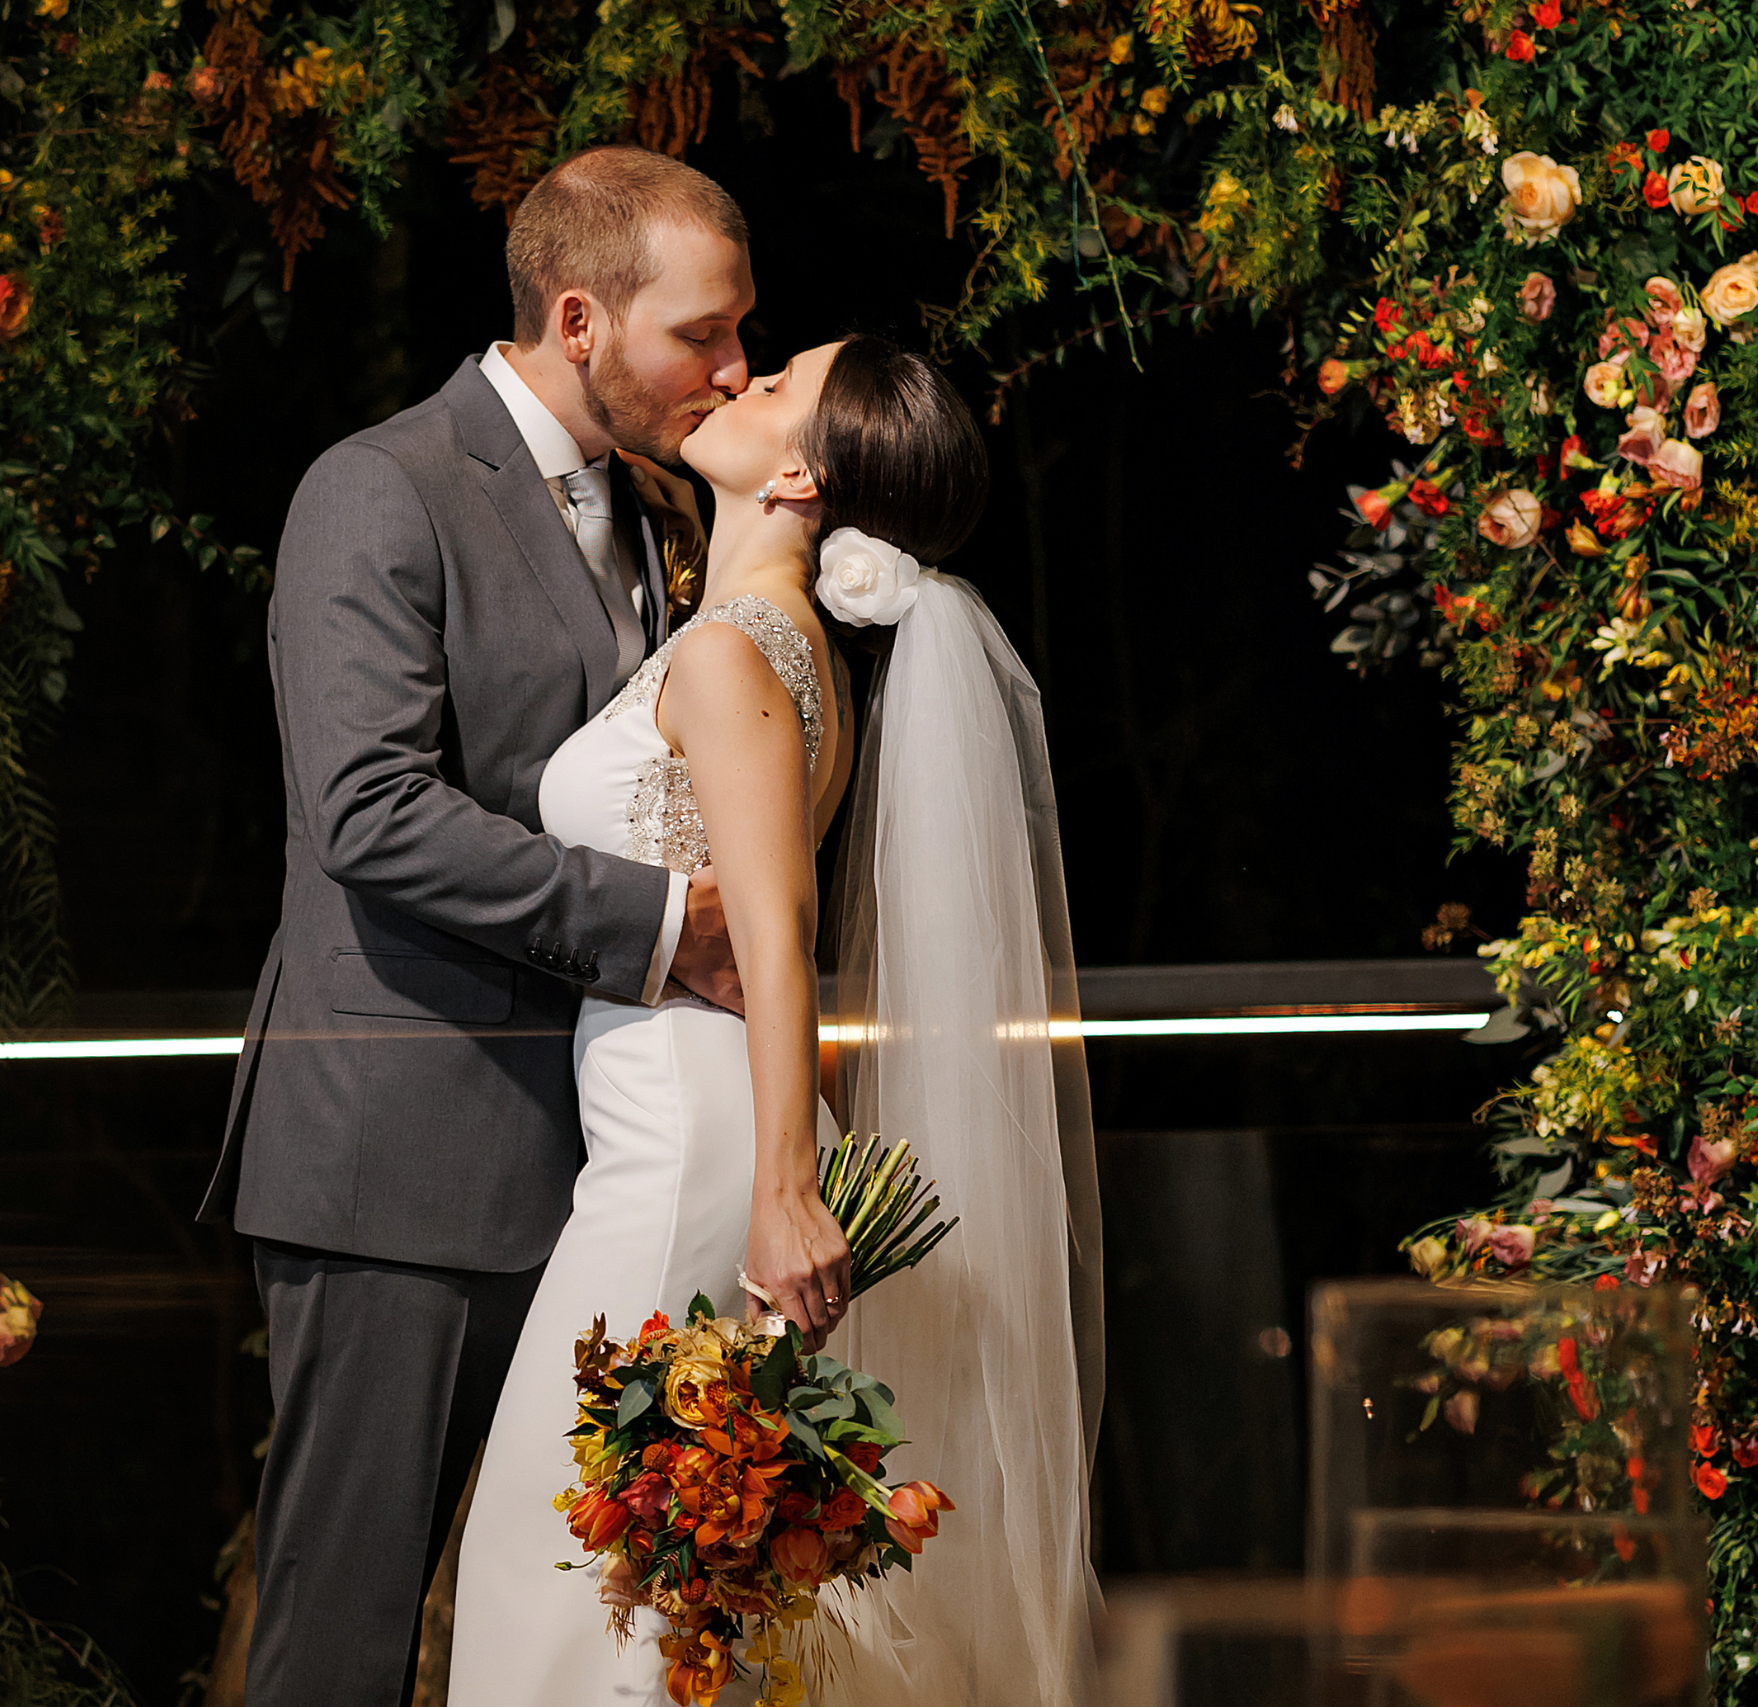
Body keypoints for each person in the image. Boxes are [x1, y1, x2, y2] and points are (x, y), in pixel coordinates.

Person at [447, 334, 1104, 1704]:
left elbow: (779, 935)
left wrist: (785, 1189)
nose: (732, 387)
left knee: (558, 1568)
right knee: (641, 1582)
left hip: (692, 1144)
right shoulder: (770, 646)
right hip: (678, 1125)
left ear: (799, 471)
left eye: (771, 385)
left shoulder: (741, 651)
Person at [197, 147, 763, 1707]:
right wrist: (669, 927)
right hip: (401, 1162)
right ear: (579, 319)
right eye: (700, 336)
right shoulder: (380, 487)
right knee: (345, 1637)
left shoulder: (657, 512)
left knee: (571, 1628)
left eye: (739, 333)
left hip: (596, 1175)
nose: (732, 368)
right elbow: (367, 812)